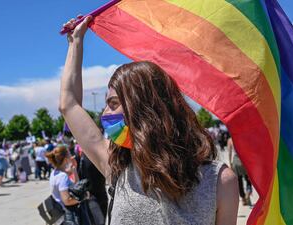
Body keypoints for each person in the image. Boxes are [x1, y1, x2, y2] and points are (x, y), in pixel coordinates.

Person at [59, 16, 239, 225]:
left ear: (145, 109)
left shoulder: (219, 181)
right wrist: (76, 42)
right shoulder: (116, 167)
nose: (105, 114)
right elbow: (69, 105)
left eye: (114, 103)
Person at [46, 145, 80, 225]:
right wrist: (82, 199)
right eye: (69, 154)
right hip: (67, 215)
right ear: (65, 159)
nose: (71, 156)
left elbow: (76, 186)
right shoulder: (62, 176)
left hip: (60, 214)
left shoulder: (55, 172)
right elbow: (67, 200)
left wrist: (74, 169)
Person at [227, 137, 252, 206]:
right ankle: (248, 192)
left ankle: (243, 198)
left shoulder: (230, 140)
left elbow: (230, 153)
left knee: (239, 181)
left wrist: (230, 163)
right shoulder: (243, 137)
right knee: (248, 179)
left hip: (236, 161)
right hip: (245, 160)